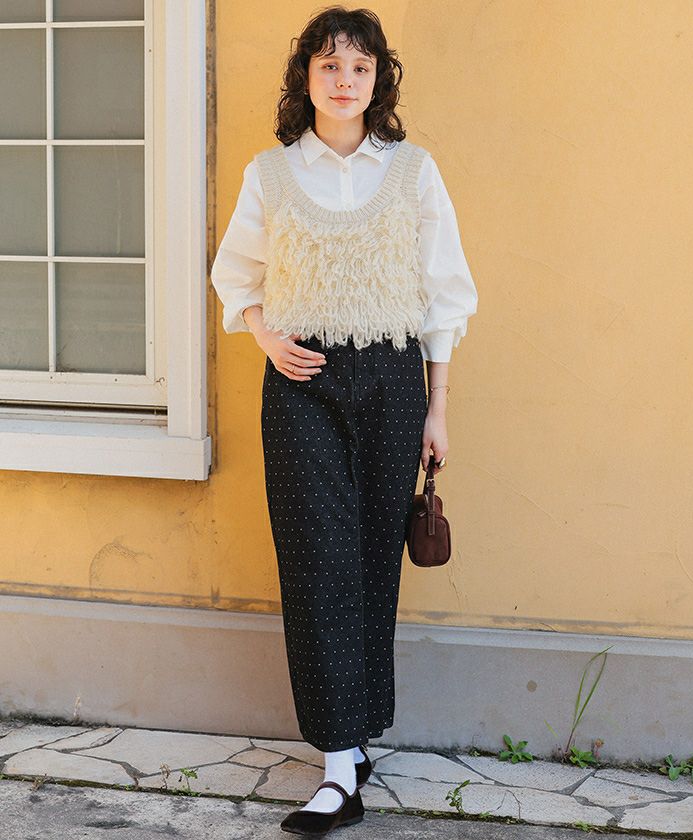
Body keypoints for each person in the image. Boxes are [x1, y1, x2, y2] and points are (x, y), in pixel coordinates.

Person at [210, 5, 478, 835]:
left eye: (359, 67)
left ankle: (356, 741)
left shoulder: (413, 171)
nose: (343, 80)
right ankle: (337, 769)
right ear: (306, 76)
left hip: (393, 379)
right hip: (302, 386)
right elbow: (235, 275)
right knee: (316, 559)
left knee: (369, 561)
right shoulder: (270, 173)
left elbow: (445, 294)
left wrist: (438, 408)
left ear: (377, 81)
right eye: (328, 64)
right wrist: (266, 338)